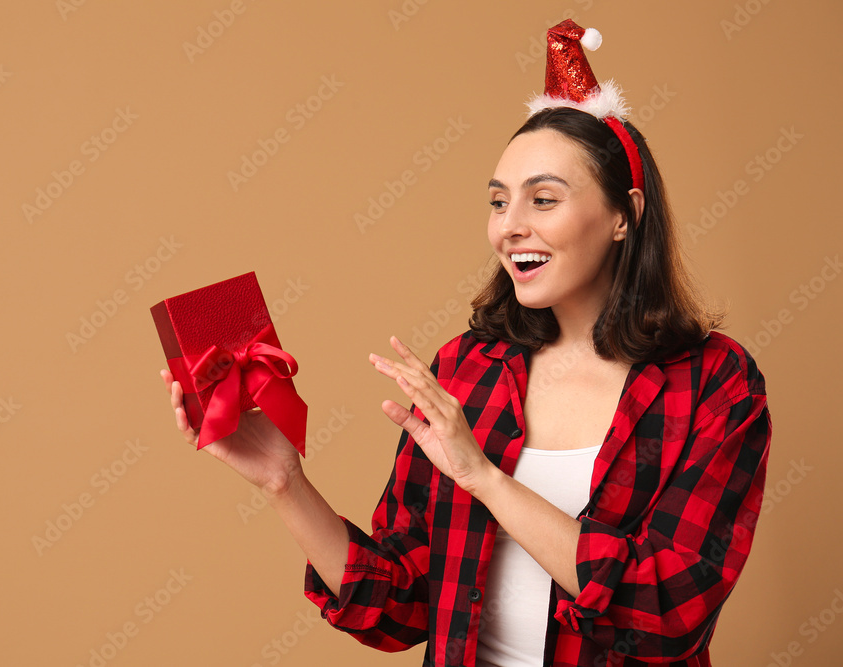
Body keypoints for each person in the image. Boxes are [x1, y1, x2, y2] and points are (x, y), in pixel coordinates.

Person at [159, 20, 772, 667]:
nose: (511, 226)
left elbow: (668, 612)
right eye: (499, 201)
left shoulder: (713, 382)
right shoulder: (467, 369)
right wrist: (285, 481)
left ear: (626, 214)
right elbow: (401, 604)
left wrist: (486, 478)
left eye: (543, 199)